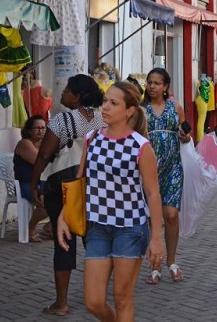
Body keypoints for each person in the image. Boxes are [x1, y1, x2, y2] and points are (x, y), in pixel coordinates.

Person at [56, 81, 164, 321]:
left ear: (129, 111)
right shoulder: (91, 138)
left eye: (113, 103)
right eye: (105, 101)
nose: (105, 107)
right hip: (97, 228)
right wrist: (64, 216)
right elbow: (79, 182)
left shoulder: (140, 146)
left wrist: (157, 239)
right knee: (93, 302)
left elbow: (153, 194)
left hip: (130, 228)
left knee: (122, 297)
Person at [30, 74, 105, 317]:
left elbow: (43, 155)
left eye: (67, 91)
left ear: (77, 96)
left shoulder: (62, 121)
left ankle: (61, 303)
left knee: (64, 242)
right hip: (95, 186)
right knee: (95, 242)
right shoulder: (104, 119)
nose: (62, 94)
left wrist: (34, 182)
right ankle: (97, 295)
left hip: (64, 186)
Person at [142, 67, 191, 284]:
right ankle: (155, 266)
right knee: (154, 218)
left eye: (156, 83)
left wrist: (186, 137)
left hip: (173, 167)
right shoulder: (141, 110)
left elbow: (186, 135)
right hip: (149, 168)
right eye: (149, 82)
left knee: (171, 215)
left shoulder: (176, 107)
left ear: (165, 86)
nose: (152, 86)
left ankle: (171, 261)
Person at [13, 115, 50, 242]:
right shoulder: (25, 143)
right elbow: (41, 164)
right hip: (26, 184)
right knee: (48, 204)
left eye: (43, 128)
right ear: (29, 130)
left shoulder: (45, 144)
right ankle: (30, 227)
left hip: (43, 183)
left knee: (67, 197)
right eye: (37, 128)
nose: (41, 131)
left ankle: (49, 227)